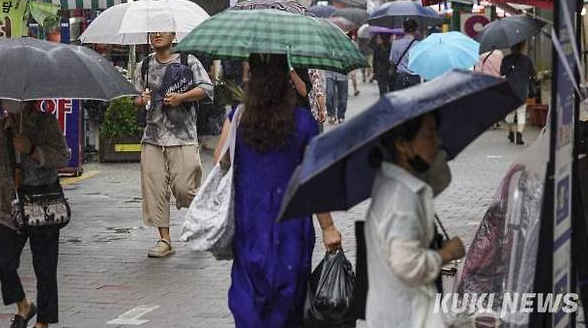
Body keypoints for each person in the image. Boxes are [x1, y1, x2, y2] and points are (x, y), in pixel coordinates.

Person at [215, 53, 342, 327]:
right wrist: (328, 227)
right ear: (285, 79)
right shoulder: (304, 122)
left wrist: (234, 121)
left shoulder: (239, 117)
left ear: (255, 79)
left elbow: (220, 160)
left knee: (249, 296)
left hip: (250, 222)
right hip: (291, 228)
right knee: (288, 301)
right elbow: (314, 178)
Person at [364, 112, 466, 327]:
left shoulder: (393, 182)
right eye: (430, 135)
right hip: (407, 317)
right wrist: (446, 254)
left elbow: (439, 179)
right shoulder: (402, 200)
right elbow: (407, 265)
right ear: (402, 145)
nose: (437, 142)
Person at [0, 101, 70, 328]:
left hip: (42, 205)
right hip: (10, 209)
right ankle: (24, 305)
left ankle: (43, 322)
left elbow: (63, 157)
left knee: (45, 268)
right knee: (3, 262)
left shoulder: (46, 123)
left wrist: (32, 150)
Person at [134, 32, 213, 258]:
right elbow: (136, 98)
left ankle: (202, 216)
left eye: (163, 29)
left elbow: (207, 88)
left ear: (174, 34)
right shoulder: (144, 65)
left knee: (185, 189)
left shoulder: (188, 60)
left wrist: (182, 97)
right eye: (153, 31)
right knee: (155, 189)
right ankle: (164, 240)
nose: (157, 34)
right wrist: (141, 100)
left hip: (183, 136)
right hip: (153, 137)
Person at [500, 42, 536, 145]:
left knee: (509, 114)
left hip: (509, 90)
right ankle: (519, 135)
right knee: (521, 113)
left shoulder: (506, 59)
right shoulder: (527, 60)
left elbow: (502, 73)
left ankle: (511, 132)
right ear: (522, 47)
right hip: (522, 90)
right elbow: (533, 74)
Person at [390, 19, 421, 90]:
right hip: (414, 78)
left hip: (400, 78)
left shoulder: (395, 44)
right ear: (416, 30)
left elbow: (392, 61)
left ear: (403, 29)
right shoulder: (419, 45)